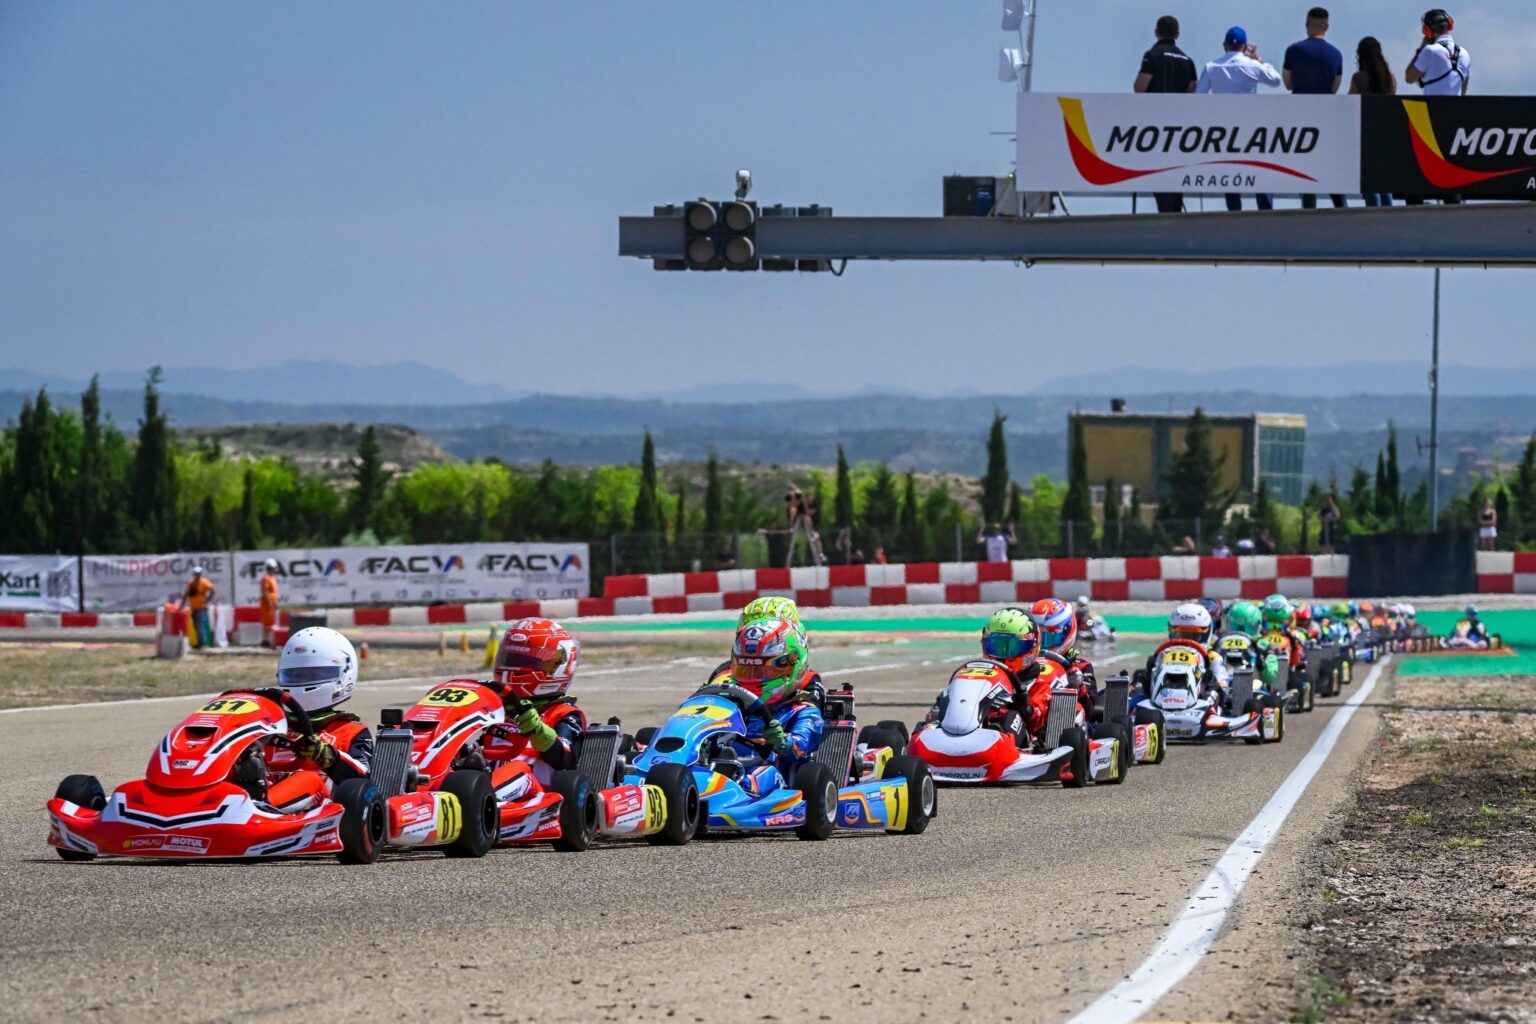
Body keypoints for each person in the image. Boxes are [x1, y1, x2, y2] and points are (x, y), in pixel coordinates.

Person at [263, 626, 372, 812]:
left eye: (314, 674)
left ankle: (261, 813)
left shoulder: (350, 731)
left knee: (307, 779)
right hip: (262, 794)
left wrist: (327, 756)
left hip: (326, 812)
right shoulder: (272, 726)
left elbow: (365, 783)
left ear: (343, 674)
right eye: (295, 675)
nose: (302, 680)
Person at [714, 617, 824, 795]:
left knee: (762, 774)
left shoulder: (803, 711)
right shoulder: (733, 705)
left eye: (763, 671)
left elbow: (801, 747)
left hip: (775, 774)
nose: (753, 678)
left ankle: (734, 788)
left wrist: (782, 741)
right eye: (746, 670)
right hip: (724, 761)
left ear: (790, 665)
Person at [489, 617, 587, 781]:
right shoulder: (495, 709)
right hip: (480, 783)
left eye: (526, 661)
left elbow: (566, 759)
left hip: (536, 791)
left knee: (516, 769)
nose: (514, 668)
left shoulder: (563, 714)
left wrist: (538, 731)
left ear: (560, 669)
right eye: (510, 660)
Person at [1196, 27, 1283, 212]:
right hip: (1252, 128)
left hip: (1224, 130)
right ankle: (1266, 213)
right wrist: (1257, 59)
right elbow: (1276, 80)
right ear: (1244, 46)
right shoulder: (1252, 65)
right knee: (1260, 171)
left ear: (1224, 45)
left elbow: (1198, 96)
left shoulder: (1212, 67)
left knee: (1230, 172)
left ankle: (1234, 214)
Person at [1404, 9, 1471, 205]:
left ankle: (1416, 204)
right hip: (1455, 117)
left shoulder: (1429, 51)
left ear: (1427, 30)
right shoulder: (1465, 54)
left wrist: (1421, 48)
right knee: (1451, 166)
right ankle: (1453, 203)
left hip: (1430, 116)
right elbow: (1463, 90)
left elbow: (1409, 77)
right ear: (1450, 25)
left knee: (1421, 165)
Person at [1135, 14, 1199, 214]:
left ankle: (1166, 216)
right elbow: (1193, 88)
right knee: (1176, 174)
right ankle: (1175, 215)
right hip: (1180, 126)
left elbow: (1139, 87)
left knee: (1159, 174)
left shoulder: (1151, 56)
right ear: (1178, 34)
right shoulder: (1187, 60)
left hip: (1155, 126)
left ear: (1156, 33)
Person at [1284, 8, 1346, 209]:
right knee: (1328, 163)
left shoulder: (1294, 50)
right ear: (1326, 27)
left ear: (1306, 24)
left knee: (1305, 164)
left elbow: (1288, 84)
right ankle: (1340, 206)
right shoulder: (1336, 54)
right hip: (1326, 116)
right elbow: (1335, 87)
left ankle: (1308, 207)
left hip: (1300, 114)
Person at [1349, 38, 1397, 207]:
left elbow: (1351, 104)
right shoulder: (1390, 79)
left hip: (1365, 134)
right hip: (1386, 133)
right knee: (1385, 181)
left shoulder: (1358, 78)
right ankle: (1388, 212)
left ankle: (1373, 213)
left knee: (1370, 182)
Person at [178, 565, 216, 650]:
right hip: (193, 608)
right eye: (196, 574)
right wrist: (182, 605)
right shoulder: (191, 584)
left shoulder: (205, 582)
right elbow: (186, 594)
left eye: (198, 574)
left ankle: (203, 644)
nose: (197, 576)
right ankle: (200, 643)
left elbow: (213, 591)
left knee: (200, 625)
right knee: (196, 626)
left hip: (201, 607)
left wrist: (207, 601)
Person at [259, 558, 280, 648]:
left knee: (270, 622)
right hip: (268, 603)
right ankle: (268, 640)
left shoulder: (272, 578)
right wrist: (270, 602)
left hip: (272, 602)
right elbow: (265, 591)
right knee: (268, 622)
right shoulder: (266, 578)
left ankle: (266, 640)